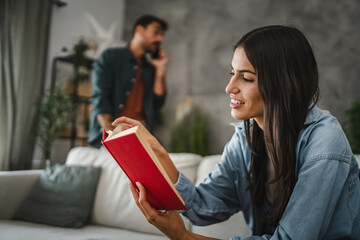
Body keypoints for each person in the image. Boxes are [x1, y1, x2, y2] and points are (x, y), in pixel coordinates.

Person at [112, 25, 360, 239]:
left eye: (247, 78)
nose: (230, 87)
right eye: (233, 73)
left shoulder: (324, 144)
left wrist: (184, 237)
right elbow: (201, 207)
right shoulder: (246, 137)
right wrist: (157, 152)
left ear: (284, 84)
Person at [88, 15, 168, 148]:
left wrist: (160, 71)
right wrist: (113, 138)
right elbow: (100, 99)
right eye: (156, 32)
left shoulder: (149, 68)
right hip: (114, 130)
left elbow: (158, 103)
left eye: (162, 35)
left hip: (142, 130)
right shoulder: (109, 58)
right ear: (139, 30)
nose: (160, 39)